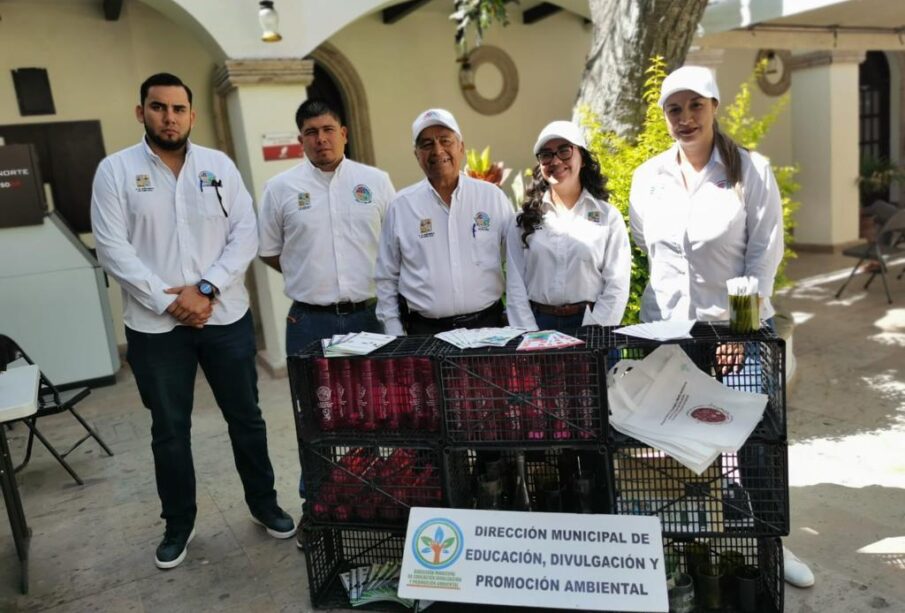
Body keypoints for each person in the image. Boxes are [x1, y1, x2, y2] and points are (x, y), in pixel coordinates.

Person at [90, 73, 294, 571]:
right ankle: (178, 523)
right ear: (141, 112)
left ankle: (263, 503)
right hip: (155, 328)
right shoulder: (115, 172)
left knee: (245, 417)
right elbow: (113, 249)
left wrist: (205, 289)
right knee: (169, 430)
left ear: (192, 115)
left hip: (223, 317)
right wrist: (171, 303)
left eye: (178, 109)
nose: (169, 117)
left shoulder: (218, 166)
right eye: (158, 108)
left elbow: (244, 232)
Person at [629, 65, 814, 588]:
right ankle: (695, 544)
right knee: (682, 443)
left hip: (739, 330)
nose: (685, 118)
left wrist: (739, 329)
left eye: (695, 106)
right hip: (670, 333)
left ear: (714, 106)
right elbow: (648, 246)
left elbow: (763, 255)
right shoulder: (648, 178)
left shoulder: (750, 170)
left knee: (757, 439)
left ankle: (771, 539)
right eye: (674, 109)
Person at [257, 98, 395, 548]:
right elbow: (271, 250)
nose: (322, 139)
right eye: (311, 132)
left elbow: (394, 246)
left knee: (376, 413)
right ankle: (317, 509)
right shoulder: (280, 189)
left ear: (345, 132)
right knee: (314, 419)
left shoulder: (375, 182)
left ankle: (380, 500)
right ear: (300, 139)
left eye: (329, 129)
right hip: (310, 322)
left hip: (370, 317)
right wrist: (310, 279)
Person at [375, 108, 514, 336]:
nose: (438, 150)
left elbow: (516, 264)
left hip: (489, 327)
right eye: (427, 144)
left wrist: (516, 317)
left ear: (461, 147)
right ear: (416, 154)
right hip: (425, 332)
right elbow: (386, 276)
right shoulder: (401, 206)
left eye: (445, 140)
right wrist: (394, 330)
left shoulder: (492, 197)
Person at [506, 120, 631, 330]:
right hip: (538, 325)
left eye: (564, 150)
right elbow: (515, 287)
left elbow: (617, 286)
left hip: (591, 322)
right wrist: (530, 337)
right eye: (546, 154)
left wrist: (594, 334)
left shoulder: (607, 217)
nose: (555, 160)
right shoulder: (523, 221)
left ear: (582, 158)